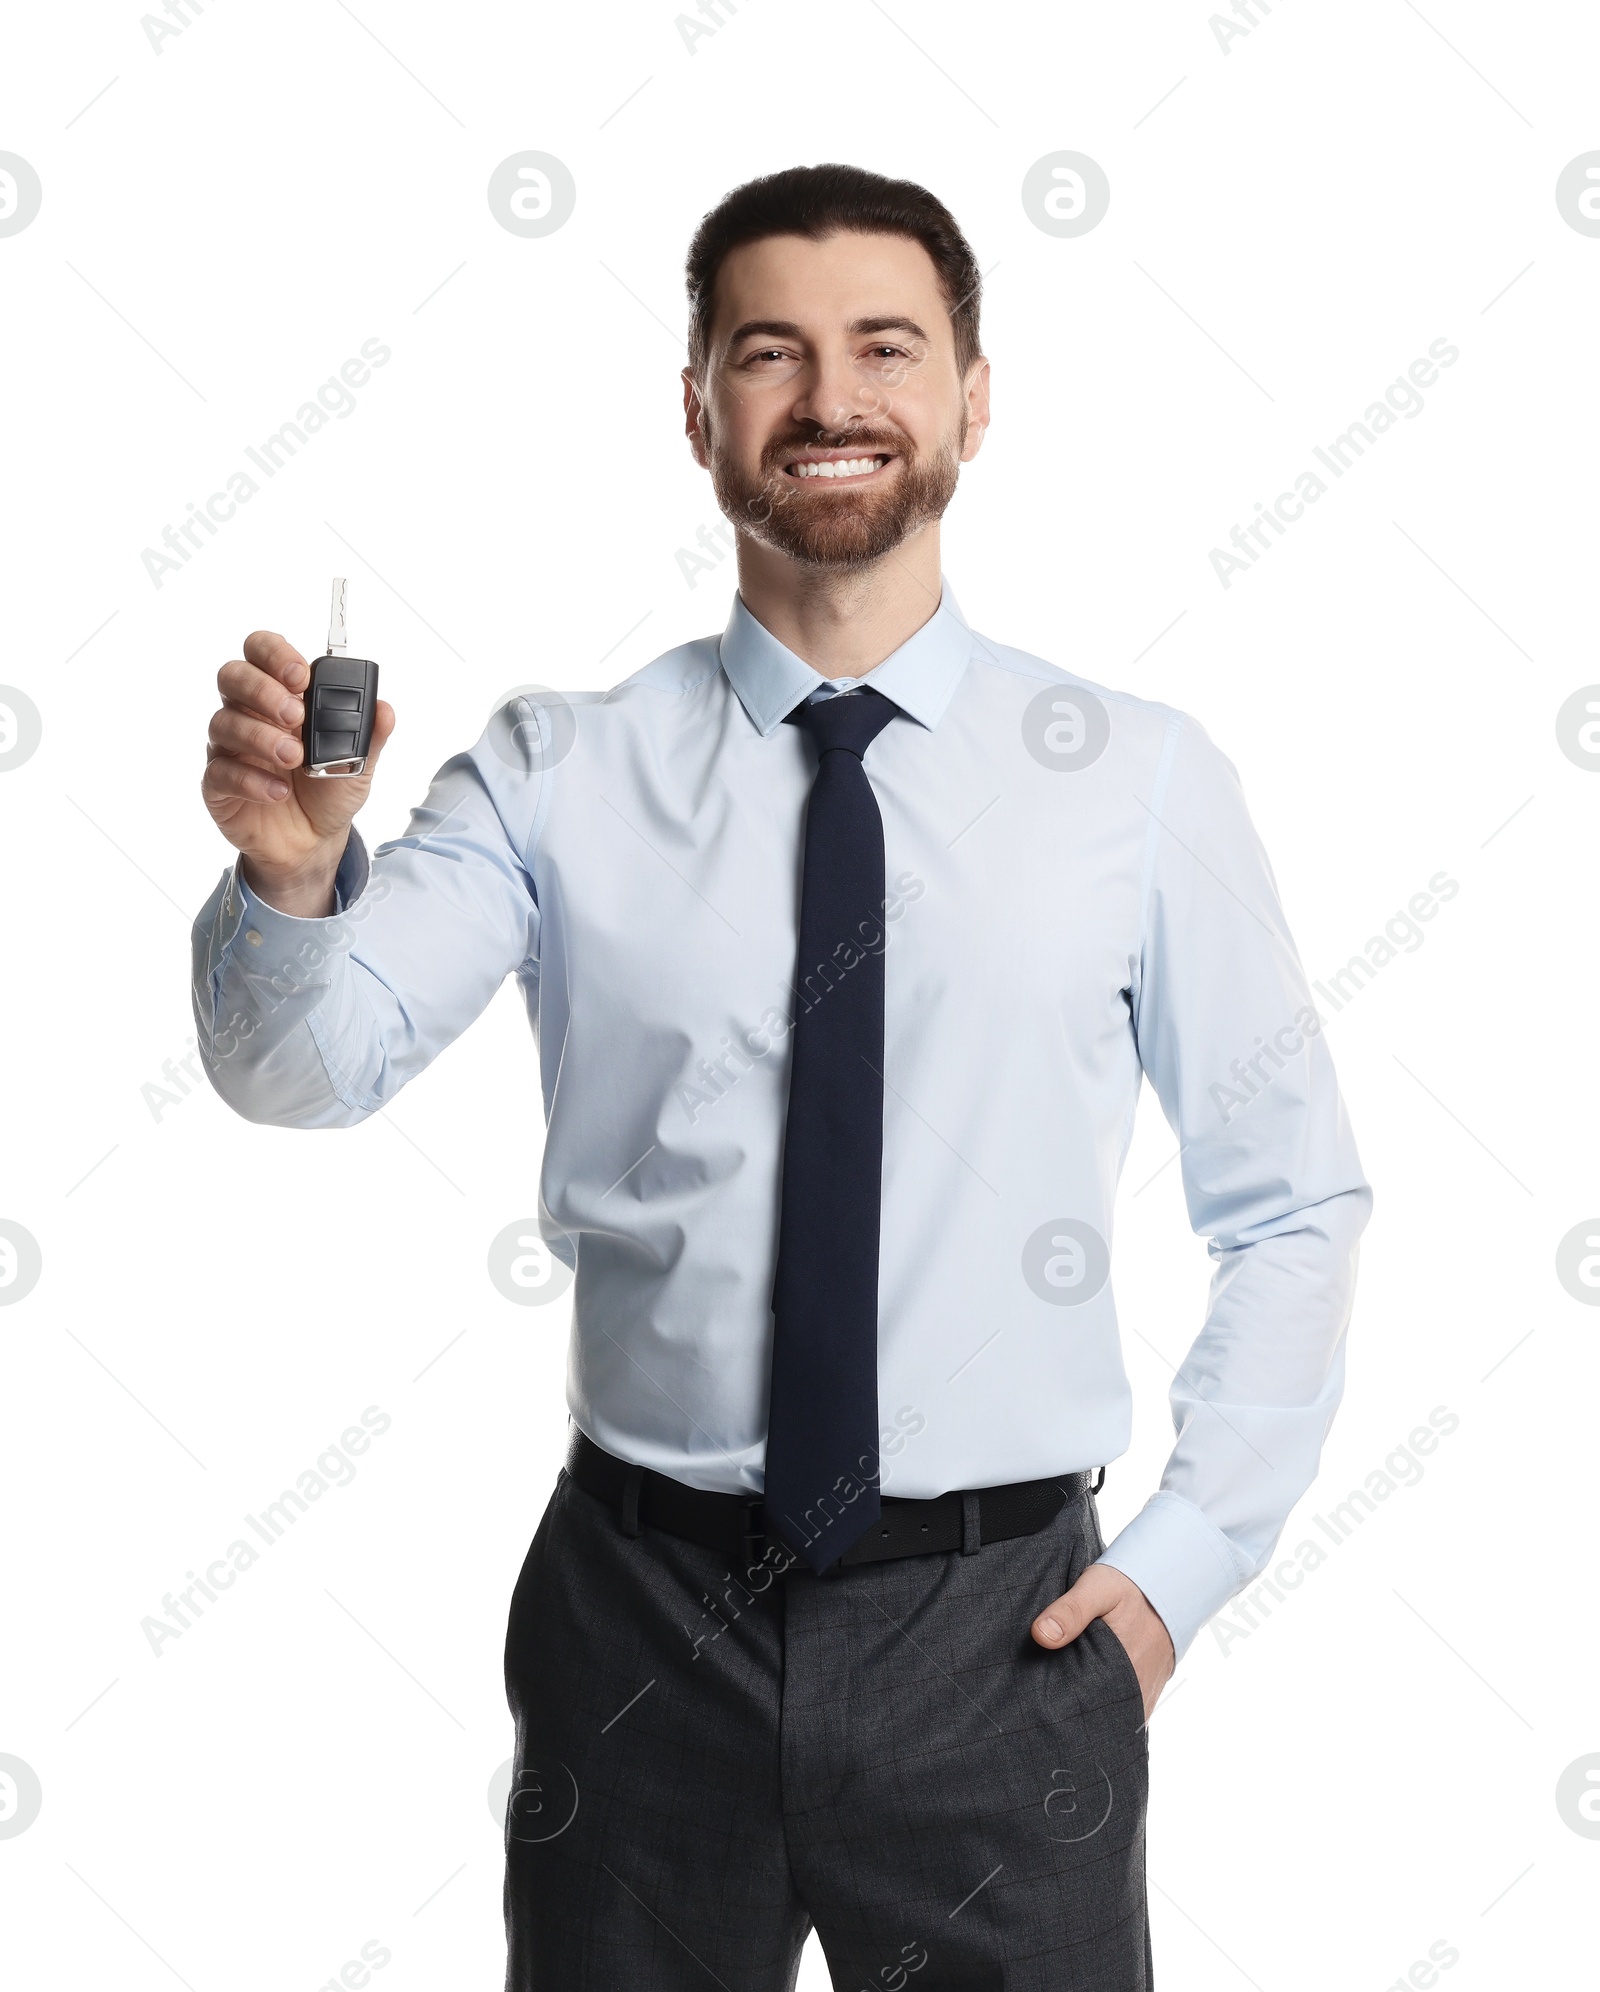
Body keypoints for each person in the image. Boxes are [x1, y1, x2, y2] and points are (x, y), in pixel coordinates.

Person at [193, 163, 1370, 1990]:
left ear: (976, 395)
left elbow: (1290, 1197)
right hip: (639, 1625)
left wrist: (1188, 1562)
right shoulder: (552, 772)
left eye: (886, 346)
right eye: (770, 353)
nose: (831, 398)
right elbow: (305, 1071)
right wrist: (285, 879)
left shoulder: (1135, 780)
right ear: (699, 412)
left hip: (1012, 1641)